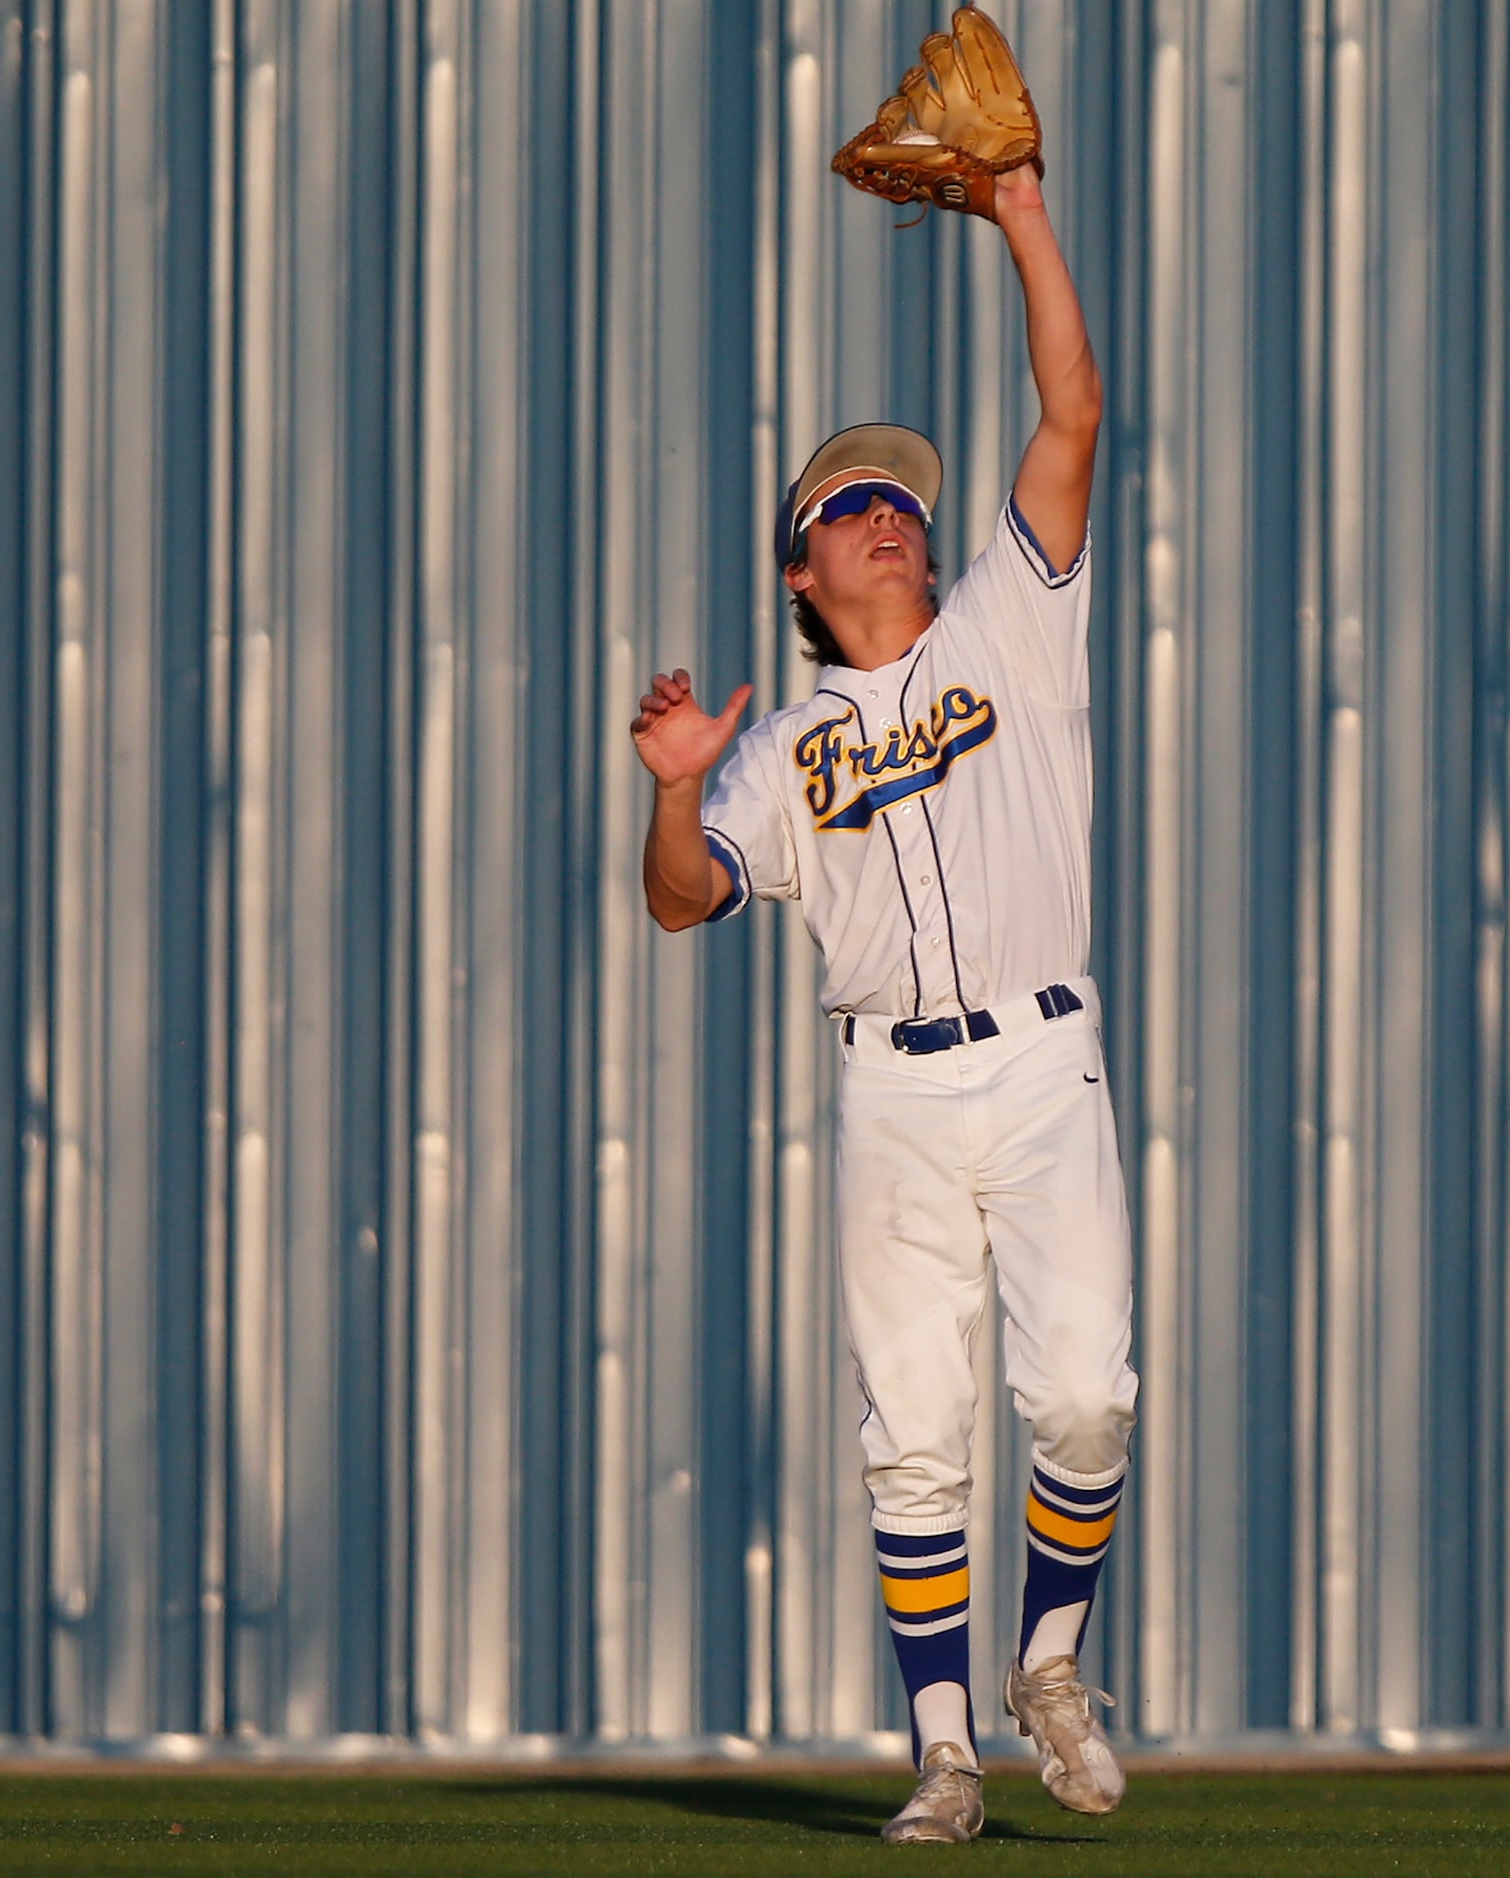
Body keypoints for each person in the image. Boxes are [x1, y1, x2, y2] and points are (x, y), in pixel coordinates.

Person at [630, 162, 1135, 1846]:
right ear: (800, 568)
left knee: (1082, 1399)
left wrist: (1018, 216)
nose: (888, 511)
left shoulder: (1011, 622)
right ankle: (944, 1757)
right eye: (852, 504)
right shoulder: (773, 752)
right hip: (893, 1094)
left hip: (1045, 1056)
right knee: (913, 1436)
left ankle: (1048, 1665)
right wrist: (674, 789)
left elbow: (1067, 412)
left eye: (899, 497)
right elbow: (681, 897)